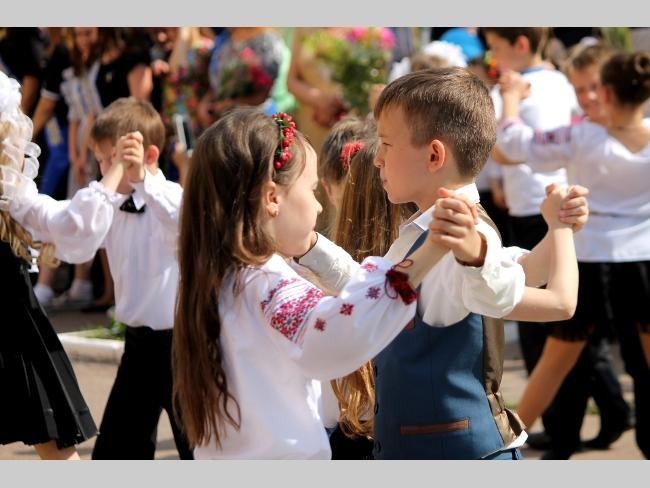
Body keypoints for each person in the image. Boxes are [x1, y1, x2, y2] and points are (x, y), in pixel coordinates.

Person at [296, 68, 585, 459]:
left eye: (386, 144)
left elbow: (558, 303)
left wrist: (561, 228)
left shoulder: (462, 238)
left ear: (434, 155)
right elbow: (376, 290)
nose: (376, 159)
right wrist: (309, 246)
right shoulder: (427, 230)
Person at [171, 108, 450, 459]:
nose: (318, 207)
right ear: (272, 198)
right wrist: (426, 254)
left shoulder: (218, 276)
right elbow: (336, 333)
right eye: (312, 189)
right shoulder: (266, 282)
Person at [493, 50, 650, 459]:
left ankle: (502, 447)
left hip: (591, 259)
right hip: (644, 262)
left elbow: (512, 140)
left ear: (608, 93)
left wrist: (511, 98)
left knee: (554, 362)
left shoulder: (579, 137)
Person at [46, 97, 191, 460]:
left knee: (202, 451)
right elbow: (74, 235)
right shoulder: (109, 205)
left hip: (185, 349)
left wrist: (143, 181)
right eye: (99, 161)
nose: (102, 172)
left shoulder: (171, 198)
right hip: (138, 348)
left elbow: (182, 225)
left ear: (149, 155)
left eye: (109, 161)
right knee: (117, 454)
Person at [0, 71, 116, 459]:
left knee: (54, 442)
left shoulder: (13, 196)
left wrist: (112, 180)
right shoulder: (13, 196)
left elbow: (72, 226)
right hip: (14, 329)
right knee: (56, 447)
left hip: (14, 330)